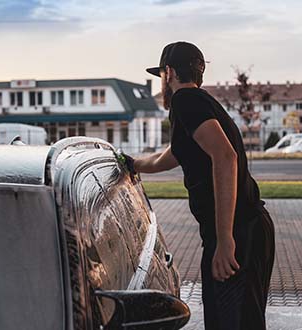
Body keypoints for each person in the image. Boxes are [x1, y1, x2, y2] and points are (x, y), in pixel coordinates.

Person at [132, 41, 275, 330]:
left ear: (169, 72)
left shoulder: (186, 101)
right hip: (247, 231)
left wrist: (224, 240)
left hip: (238, 235)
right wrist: (132, 165)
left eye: (161, 75)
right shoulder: (201, 104)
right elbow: (171, 155)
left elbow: (225, 157)